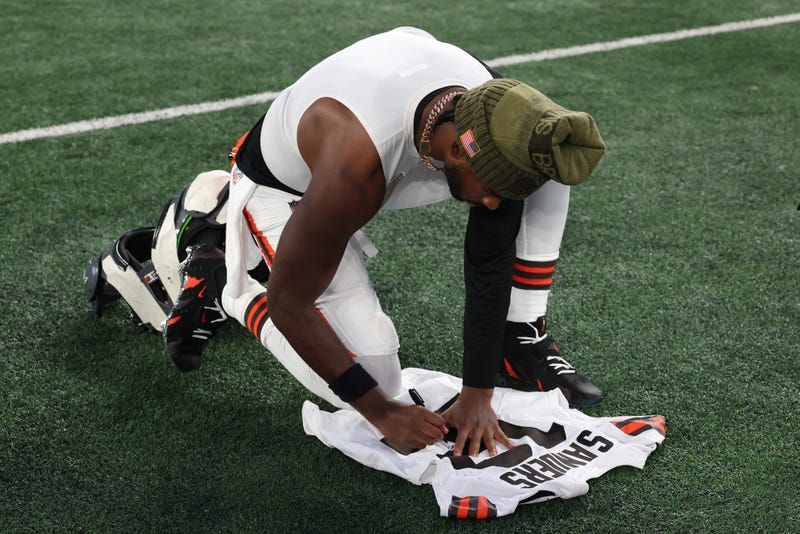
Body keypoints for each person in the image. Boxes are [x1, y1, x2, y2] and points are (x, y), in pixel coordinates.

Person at [162, 27, 606, 457]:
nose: (494, 203)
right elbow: (290, 305)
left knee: (543, 172)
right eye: (491, 185)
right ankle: (226, 276)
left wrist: (478, 392)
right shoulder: (353, 168)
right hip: (287, 186)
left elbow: (488, 261)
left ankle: (521, 337)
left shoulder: (493, 115)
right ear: (455, 152)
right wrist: (380, 411)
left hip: (402, 115)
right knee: (370, 372)